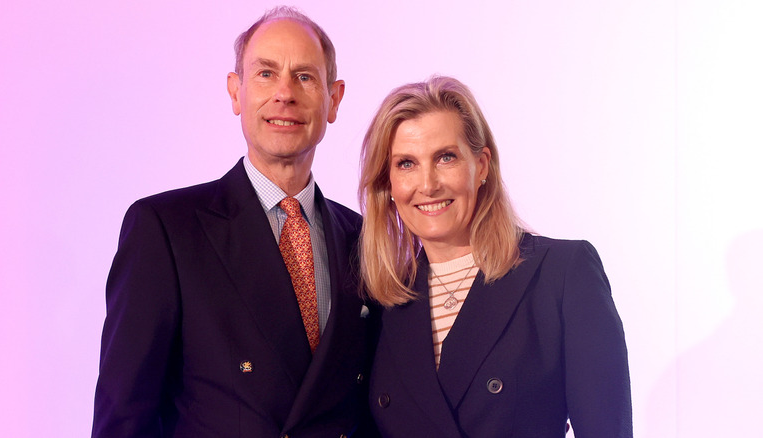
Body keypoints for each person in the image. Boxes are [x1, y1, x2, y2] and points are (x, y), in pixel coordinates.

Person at [92, 7, 378, 438]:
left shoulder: (363, 240)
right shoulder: (167, 230)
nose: (285, 93)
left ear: (333, 99)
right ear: (235, 92)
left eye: (304, 76)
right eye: (265, 74)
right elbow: (124, 417)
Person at [358, 76, 632, 437]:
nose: (427, 184)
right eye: (406, 163)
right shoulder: (382, 304)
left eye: (445, 158)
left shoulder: (562, 274)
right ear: (388, 183)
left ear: (482, 165)